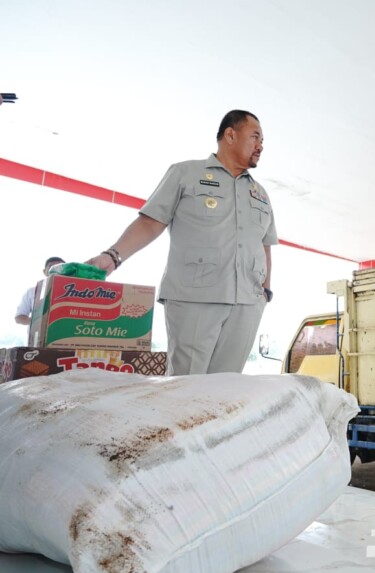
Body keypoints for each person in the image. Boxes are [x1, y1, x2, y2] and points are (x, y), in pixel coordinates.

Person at [87, 110, 277, 375]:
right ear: (230, 135)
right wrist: (113, 256)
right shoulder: (185, 173)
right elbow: (151, 222)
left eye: (263, 140)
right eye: (255, 137)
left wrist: (265, 292)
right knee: (186, 386)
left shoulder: (260, 194)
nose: (261, 146)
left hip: (248, 304)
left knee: (227, 388)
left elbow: (264, 244)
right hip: (195, 298)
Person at [15, 256, 65, 325]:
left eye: (60, 267)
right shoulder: (32, 291)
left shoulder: (75, 290)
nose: (55, 269)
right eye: (51, 267)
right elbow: (19, 317)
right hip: (39, 331)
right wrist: (38, 322)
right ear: (44, 271)